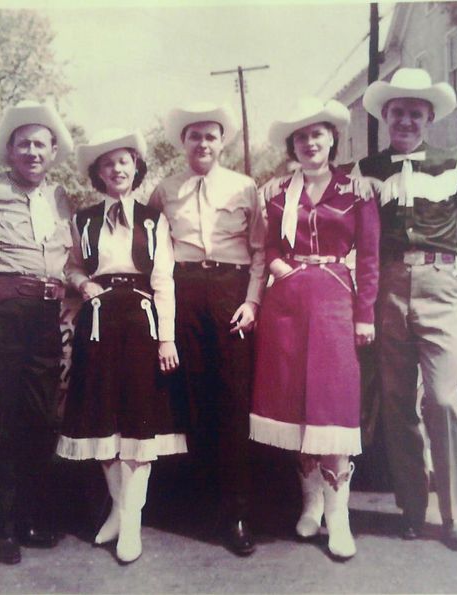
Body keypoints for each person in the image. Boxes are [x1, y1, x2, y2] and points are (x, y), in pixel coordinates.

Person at [250, 97, 380, 559]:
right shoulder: (278, 192)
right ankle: (310, 506)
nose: (310, 143)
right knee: (295, 404)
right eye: (301, 137)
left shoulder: (356, 189)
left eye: (317, 134)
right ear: (293, 144)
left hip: (334, 303)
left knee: (332, 405)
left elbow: (369, 258)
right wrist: (282, 267)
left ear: (331, 139)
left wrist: (365, 314)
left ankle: (338, 517)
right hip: (286, 305)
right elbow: (267, 246)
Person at [56, 128, 187, 564]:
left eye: (124, 162)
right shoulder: (84, 218)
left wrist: (166, 337)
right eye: (107, 163)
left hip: (141, 323)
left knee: (137, 421)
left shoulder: (154, 220)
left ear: (136, 168)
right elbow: (72, 265)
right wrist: (82, 283)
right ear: (98, 173)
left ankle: (131, 523)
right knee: (102, 417)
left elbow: (164, 279)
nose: (117, 169)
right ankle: (119, 509)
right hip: (99, 321)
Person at [354, 67, 457, 550]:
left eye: (415, 114)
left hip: (441, 287)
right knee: (399, 403)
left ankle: (453, 513)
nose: (405, 121)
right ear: (385, 116)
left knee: (442, 400)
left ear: (428, 118)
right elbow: (357, 237)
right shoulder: (367, 170)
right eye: (397, 112)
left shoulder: (456, 163)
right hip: (388, 287)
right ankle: (411, 506)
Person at [149, 102, 267, 556]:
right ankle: (203, 504)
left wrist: (252, 300)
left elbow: (258, 250)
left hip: (231, 291)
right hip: (186, 290)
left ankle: (237, 511)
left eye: (210, 136)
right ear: (183, 143)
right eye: (194, 136)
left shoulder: (245, 186)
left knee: (233, 399)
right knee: (194, 396)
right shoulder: (166, 189)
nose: (202, 143)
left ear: (223, 142)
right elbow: (156, 249)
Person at [0, 100, 73, 564]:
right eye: (23, 143)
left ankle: (29, 514)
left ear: (51, 152)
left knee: (41, 416)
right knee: (3, 416)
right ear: (10, 151)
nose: (32, 152)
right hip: (6, 312)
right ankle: (4, 524)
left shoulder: (61, 197)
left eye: (40, 144)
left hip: (47, 317)